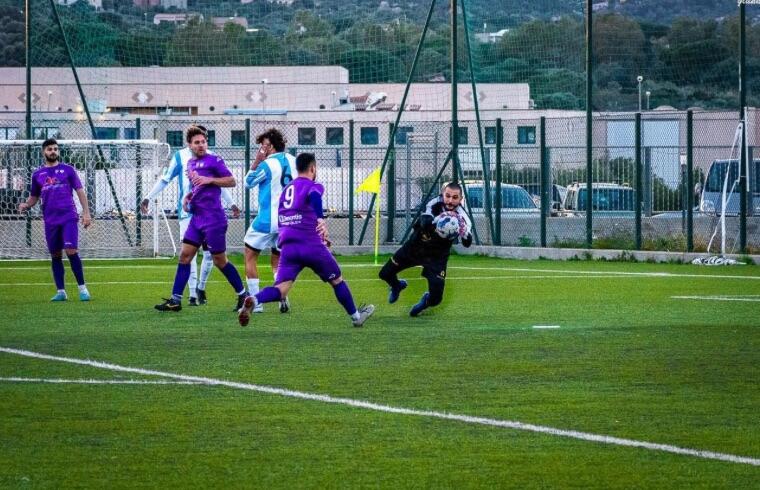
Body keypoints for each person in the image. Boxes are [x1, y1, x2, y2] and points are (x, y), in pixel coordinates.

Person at [237, 152, 374, 328]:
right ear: (312, 168)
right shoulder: (312, 185)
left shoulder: (286, 190)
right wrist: (320, 220)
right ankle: (356, 317)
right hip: (311, 245)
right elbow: (315, 198)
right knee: (337, 280)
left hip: (288, 248)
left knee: (281, 289)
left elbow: (283, 220)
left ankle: (255, 299)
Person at [141, 125, 240, 306]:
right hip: (192, 216)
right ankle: (182, 298)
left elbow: (228, 182)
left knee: (216, 259)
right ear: (189, 144)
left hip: (213, 218)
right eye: (197, 142)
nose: (201, 145)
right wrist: (186, 197)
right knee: (186, 255)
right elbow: (172, 180)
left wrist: (230, 200)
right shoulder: (186, 160)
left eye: (203, 141)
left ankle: (237, 293)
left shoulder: (214, 159)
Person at [378, 182, 472, 317]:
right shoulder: (434, 203)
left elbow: (467, 243)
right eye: (448, 196)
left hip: (437, 257)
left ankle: (425, 302)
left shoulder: (463, 218)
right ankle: (397, 286)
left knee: (436, 299)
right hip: (415, 248)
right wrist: (438, 220)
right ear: (442, 195)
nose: (450, 200)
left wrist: (464, 233)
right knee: (384, 274)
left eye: (455, 197)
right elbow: (425, 219)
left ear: (460, 199)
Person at [18, 138, 92, 301]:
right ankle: (61, 292)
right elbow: (34, 197)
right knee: (55, 254)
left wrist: (86, 213)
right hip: (50, 220)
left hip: (68, 217)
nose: (53, 151)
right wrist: (26, 205)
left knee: (71, 250)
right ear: (43, 152)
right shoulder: (37, 174)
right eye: (50, 149)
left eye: (55, 149)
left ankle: (83, 289)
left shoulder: (68, 170)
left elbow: (80, 191)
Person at [243, 128, 294, 313]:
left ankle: (257, 304)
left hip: (266, 220)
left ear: (269, 146)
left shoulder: (267, 164)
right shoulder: (294, 161)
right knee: (277, 261)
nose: (261, 149)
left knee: (249, 256)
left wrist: (257, 160)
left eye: (263, 145)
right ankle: (282, 296)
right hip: (287, 221)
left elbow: (248, 183)